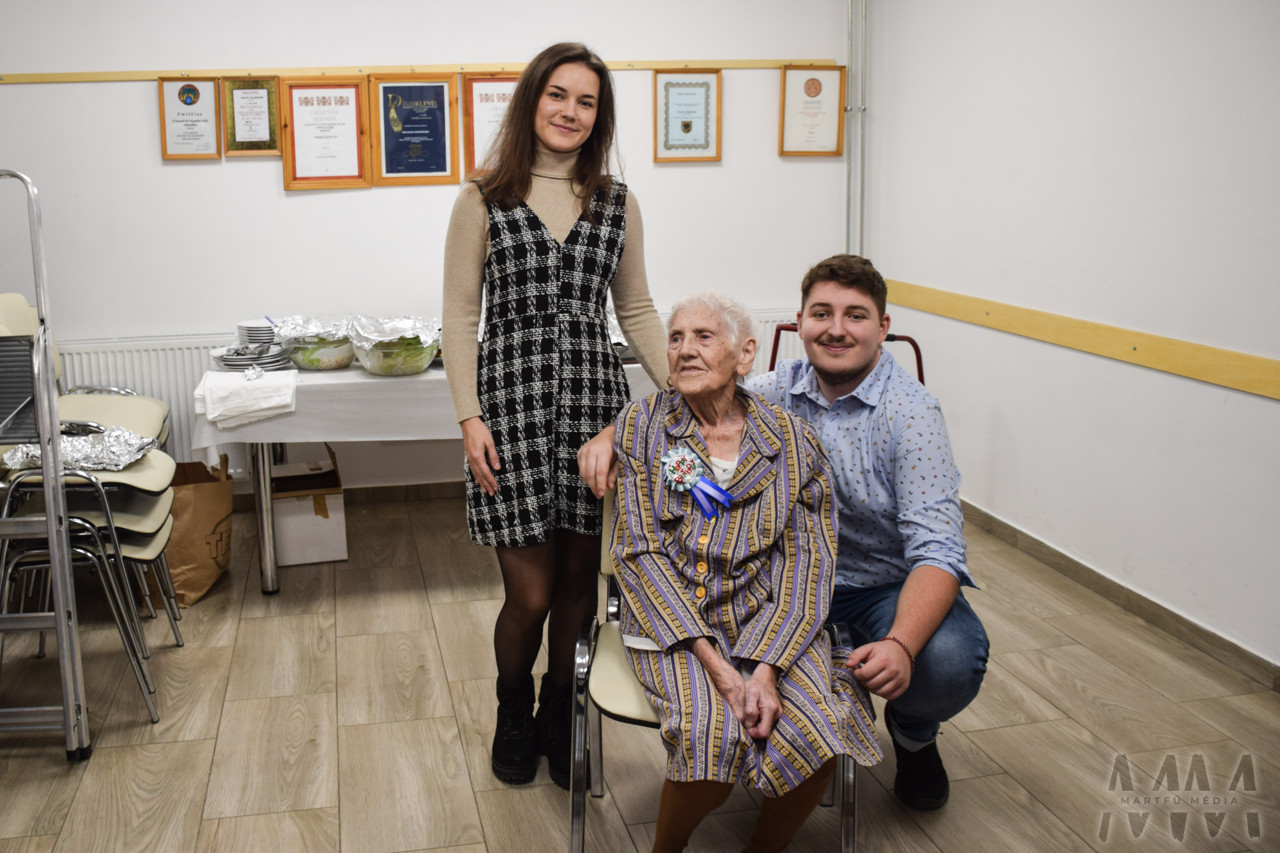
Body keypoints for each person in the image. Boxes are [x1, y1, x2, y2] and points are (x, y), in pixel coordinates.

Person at [580, 255, 988, 811]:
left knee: (947, 660)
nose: (836, 329)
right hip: (775, 583)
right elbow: (692, 395)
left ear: (883, 327)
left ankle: (914, 734)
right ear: (800, 323)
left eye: (855, 315)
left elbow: (938, 551)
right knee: (730, 710)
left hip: (876, 588)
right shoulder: (778, 389)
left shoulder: (912, 416)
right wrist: (613, 434)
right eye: (821, 314)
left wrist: (900, 644)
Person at [441, 42, 669, 790]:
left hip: (595, 412)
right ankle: (512, 709)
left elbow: (636, 308)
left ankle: (559, 713)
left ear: (599, 116)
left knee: (579, 583)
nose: (571, 111)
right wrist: (469, 417)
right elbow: (459, 316)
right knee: (530, 594)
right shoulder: (483, 198)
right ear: (532, 100)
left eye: (587, 101)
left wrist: (691, 391)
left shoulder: (615, 201)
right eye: (558, 95)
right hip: (509, 410)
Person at [612, 290, 881, 853]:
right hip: (677, 625)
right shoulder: (644, 424)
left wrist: (765, 671)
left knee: (815, 731)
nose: (685, 349)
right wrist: (720, 668)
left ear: (745, 354)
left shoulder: (791, 440)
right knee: (710, 736)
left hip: (769, 620)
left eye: (703, 337)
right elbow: (639, 552)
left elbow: (808, 565)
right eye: (676, 338)